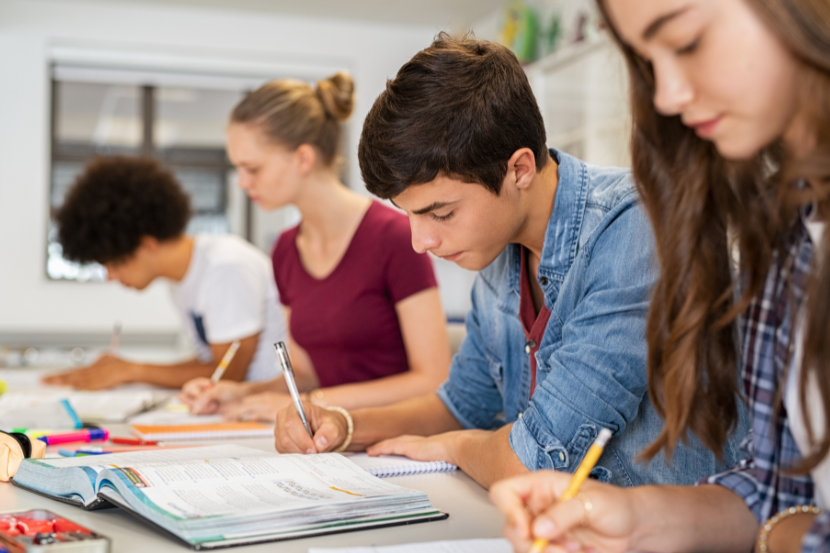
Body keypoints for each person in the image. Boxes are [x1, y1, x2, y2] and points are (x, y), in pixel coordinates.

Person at [271, 35, 746, 490]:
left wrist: (457, 447)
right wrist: (344, 424)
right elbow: (461, 406)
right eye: (410, 214)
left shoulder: (635, 228)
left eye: (441, 213)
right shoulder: (501, 251)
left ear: (519, 169)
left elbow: (535, 460)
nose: (420, 241)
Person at [489, 0, 830, 551]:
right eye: (648, 61)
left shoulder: (624, 226)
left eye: (688, 42)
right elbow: (775, 490)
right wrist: (637, 517)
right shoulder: (790, 231)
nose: (667, 96)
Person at [179, 73, 451, 421]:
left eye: (252, 169)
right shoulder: (285, 250)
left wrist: (313, 402)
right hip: (327, 437)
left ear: (303, 159)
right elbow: (307, 375)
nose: (243, 183)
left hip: (397, 435)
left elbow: (432, 379)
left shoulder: (396, 237)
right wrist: (242, 393)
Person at [44, 156, 287, 390]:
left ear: (147, 245)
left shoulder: (225, 266)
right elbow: (211, 362)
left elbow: (228, 374)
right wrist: (125, 370)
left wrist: (131, 371)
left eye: (114, 264)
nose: (111, 277)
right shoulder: (182, 281)